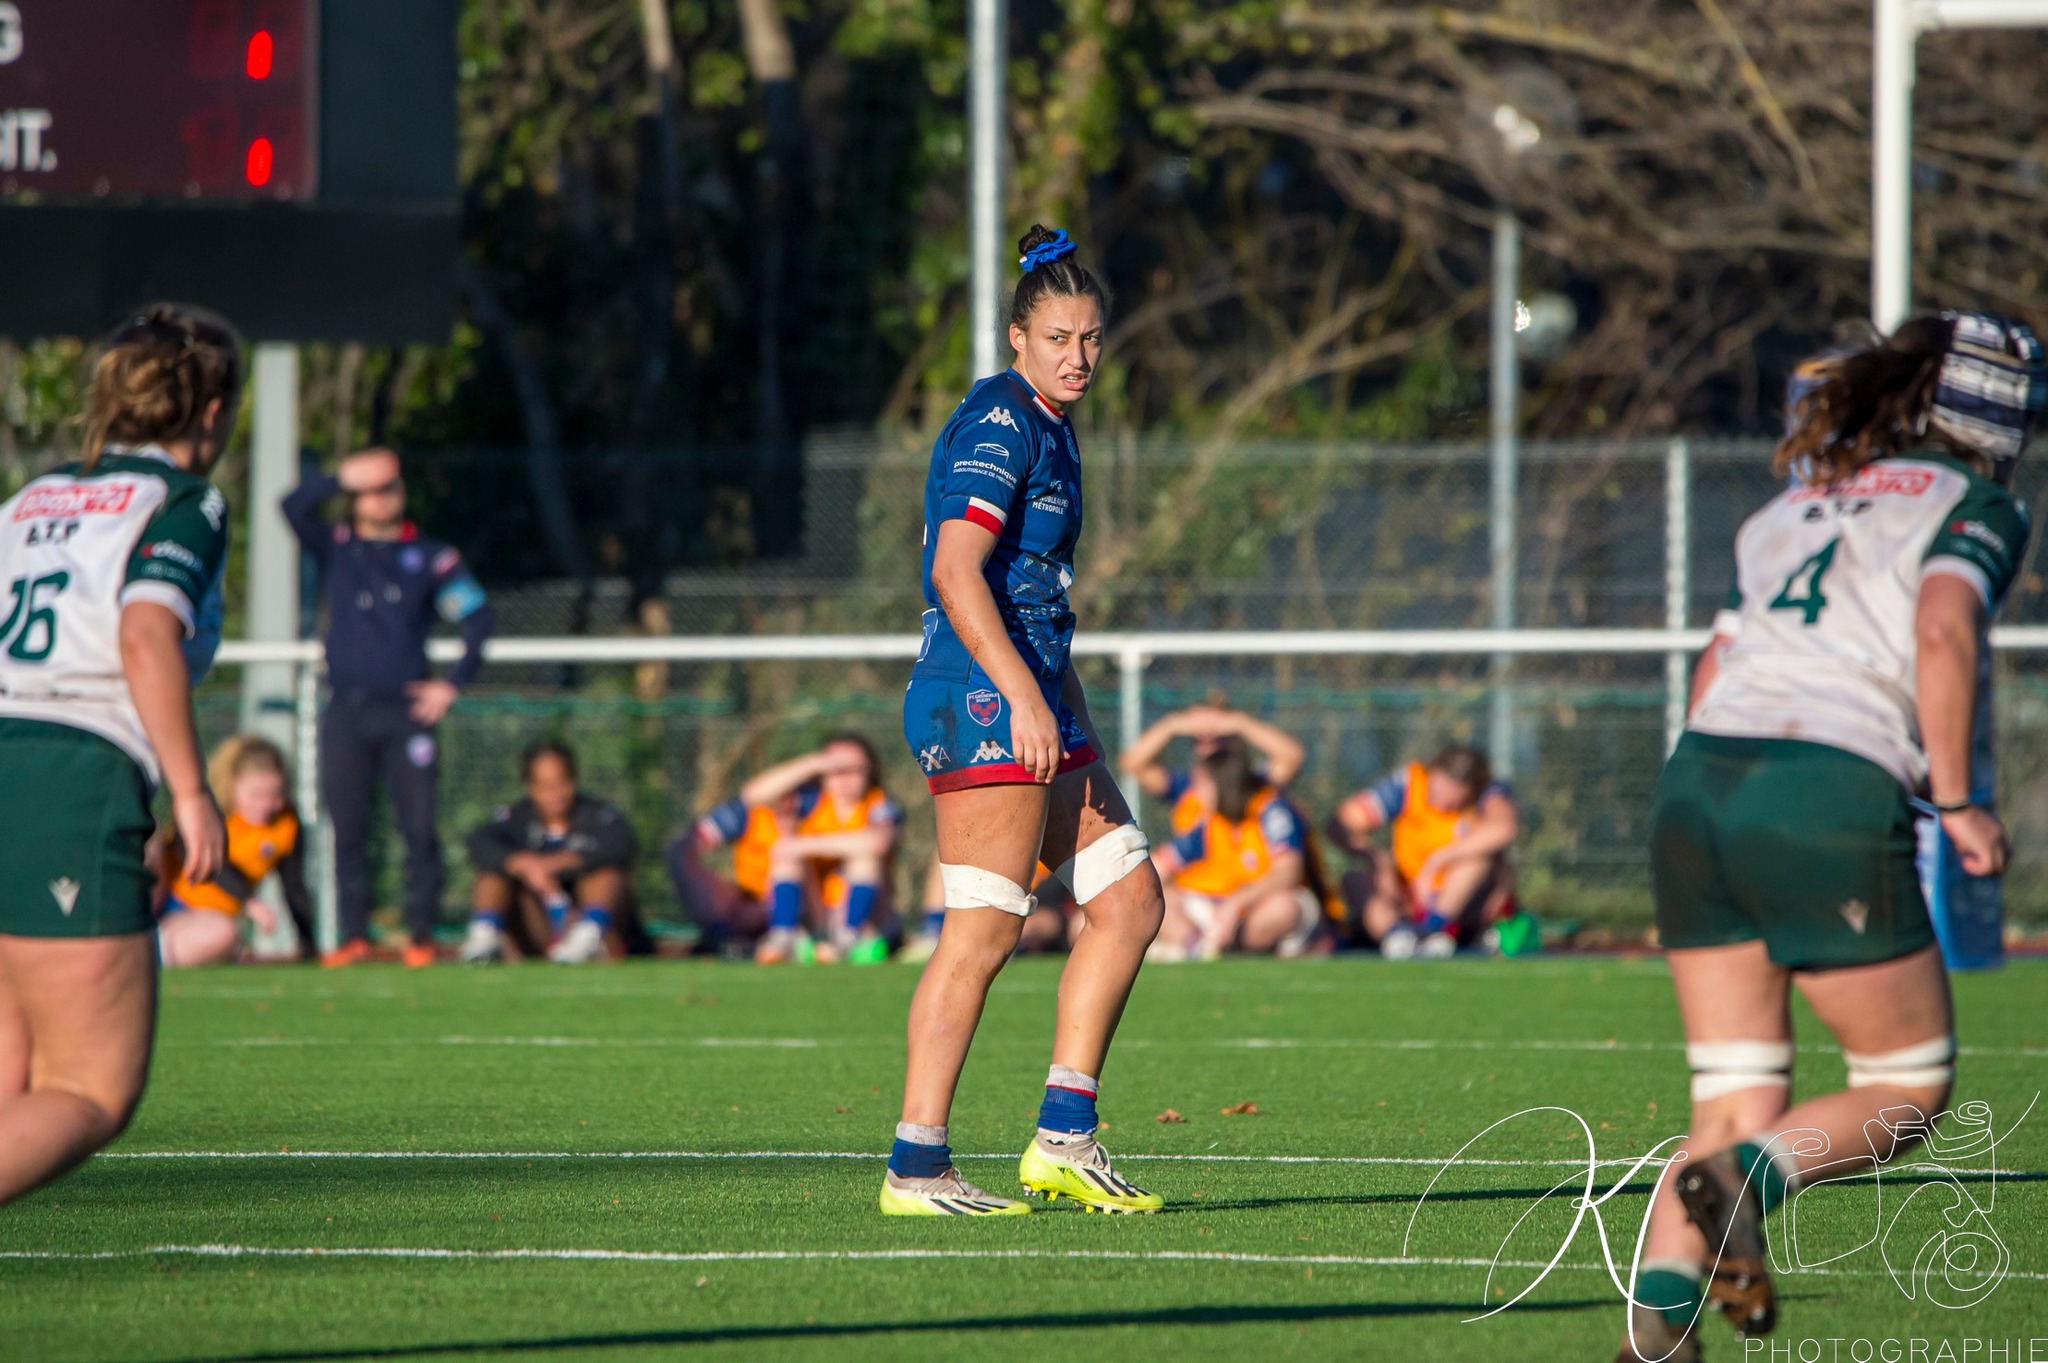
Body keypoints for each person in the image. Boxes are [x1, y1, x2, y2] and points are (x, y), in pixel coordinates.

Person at [1619, 312, 2043, 1363]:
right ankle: (1742, 1187)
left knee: (1728, 1099)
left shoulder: (1790, 505)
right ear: (1998, 420)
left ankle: (1652, 1343)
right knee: (1904, 1084)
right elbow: (1940, 629)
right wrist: (1955, 801)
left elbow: (1711, 672)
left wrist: (1710, 825)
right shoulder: (1973, 502)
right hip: (1824, 785)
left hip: (1697, 785)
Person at [886, 225, 1165, 1216]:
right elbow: (956, 573)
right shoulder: (1001, 421)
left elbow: (1038, 597)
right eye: (1056, 337)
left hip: (1032, 694)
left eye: (1090, 338)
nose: (1076, 356)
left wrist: (1065, 708)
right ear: (1016, 337)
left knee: (1128, 903)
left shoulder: (1053, 423)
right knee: (984, 931)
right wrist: (1018, 696)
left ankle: (1063, 1138)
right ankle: (915, 1166)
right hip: (978, 695)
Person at [0, 304, 241, 1205]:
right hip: (72, 775)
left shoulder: (31, 497)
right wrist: (191, 790)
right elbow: (146, 636)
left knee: (14, 1085)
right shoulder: (186, 500)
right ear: (211, 412)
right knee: (89, 1091)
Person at [283, 447, 494, 968]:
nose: (380, 500)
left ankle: (420, 934)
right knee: (348, 828)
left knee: (418, 828)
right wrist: (339, 478)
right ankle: (354, 935)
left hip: (406, 714)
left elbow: (478, 618)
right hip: (347, 710)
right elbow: (291, 508)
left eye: (388, 489)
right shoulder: (337, 547)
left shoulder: (430, 556)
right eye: (369, 491)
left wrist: (452, 685)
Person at [670, 736, 902, 965]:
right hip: (813, 912)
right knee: (785, 856)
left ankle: (848, 938)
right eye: (836, 769)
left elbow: (876, 842)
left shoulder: (878, 805)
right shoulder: (812, 802)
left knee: (863, 859)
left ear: (869, 772)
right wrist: (814, 763)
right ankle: (783, 939)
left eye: (854, 770)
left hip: (860, 915)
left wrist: (804, 845)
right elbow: (753, 796)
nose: (845, 779)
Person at [1327, 744, 1518, 959]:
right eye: (1440, 790)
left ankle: (1434, 929)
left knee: (1476, 862)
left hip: (1463, 903)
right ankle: (1398, 936)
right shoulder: (1407, 785)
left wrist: (1439, 859)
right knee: (1354, 880)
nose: (1445, 801)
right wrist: (1375, 858)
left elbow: (1503, 828)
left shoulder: (1488, 791)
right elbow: (1340, 825)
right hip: (1408, 895)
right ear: (1433, 772)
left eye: (1455, 798)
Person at [459, 740, 640, 965]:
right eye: (546, 786)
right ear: (531, 788)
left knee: (606, 874)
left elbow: (621, 844)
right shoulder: (516, 818)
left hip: (585, 917)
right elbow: (479, 842)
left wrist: (563, 862)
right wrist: (521, 863)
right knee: (493, 874)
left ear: (573, 781)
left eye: (562, 783)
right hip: (537, 925)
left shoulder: (599, 816)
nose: (556, 794)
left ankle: (588, 938)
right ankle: (484, 938)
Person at [1150, 741, 1329, 960]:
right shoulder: (1206, 823)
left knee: (1283, 908)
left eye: (1201, 785)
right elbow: (1156, 869)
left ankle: (1230, 948)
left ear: (1223, 784)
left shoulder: (1270, 811)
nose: (1195, 793)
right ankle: (1197, 948)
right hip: (1214, 912)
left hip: (1257, 909)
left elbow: (1287, 872)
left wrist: (1235, 905)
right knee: (1155, 898)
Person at [157, 735, 314, 967]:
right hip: (168, 903)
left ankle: (152, 952)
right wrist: (248, 901)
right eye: (256, 795)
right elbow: (199, 855)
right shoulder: (211, 811)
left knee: (223, 933)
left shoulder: (286, 824)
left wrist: (308, 943)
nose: (266, 805)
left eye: (275, 796)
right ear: (232, 785)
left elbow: (294, 886)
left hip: (209, 922)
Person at [1119, 701, 1306, 833]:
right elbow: (1131, 763)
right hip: (1199, 883)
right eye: (1201, 739)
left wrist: (1241, 723)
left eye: (1218, 739)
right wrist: (1172, 725)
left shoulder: (1253, 785)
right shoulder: (1185, 786)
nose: (1210, 748)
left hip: (1250, 881)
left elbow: (1292, 756)